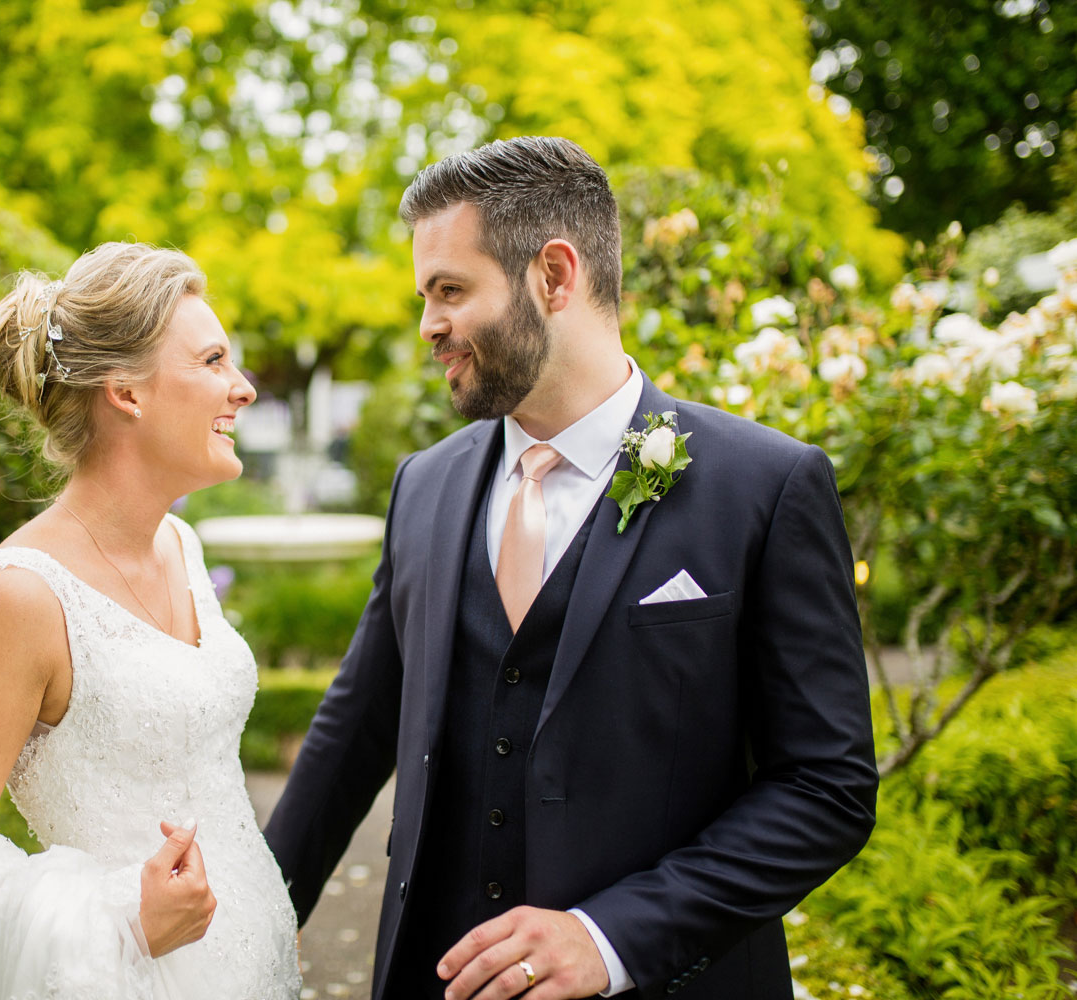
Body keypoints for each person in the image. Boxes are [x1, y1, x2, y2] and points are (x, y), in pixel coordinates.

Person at [263, 136, 879, 999]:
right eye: (425, 295)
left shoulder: (766, 486)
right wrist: (249, 921)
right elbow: (356, 730)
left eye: (450, 291)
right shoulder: (426, 486)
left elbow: (827, 787)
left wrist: (610, 938)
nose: (428, 325)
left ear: (554, 276)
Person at [0, 242, 301, 999]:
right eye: (213, 361)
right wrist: (122, 919)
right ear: (127, 393)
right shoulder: (18, 597)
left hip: (252, 964)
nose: (242, 389)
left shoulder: (181, 546)